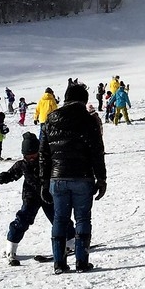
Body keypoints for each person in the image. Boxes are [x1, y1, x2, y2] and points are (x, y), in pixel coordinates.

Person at [39, 80, 107, 274]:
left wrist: (44, 182)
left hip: (57, 178)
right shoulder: (89, 120)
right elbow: (97, 152)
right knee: (83, 219)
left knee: (60, 219)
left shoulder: (50, 119)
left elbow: (43, 155)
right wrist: (101, 179)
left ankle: (59, 263)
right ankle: (81, 262)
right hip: (82, 177)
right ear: (83, 100)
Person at [0, 132, 51, 266]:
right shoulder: (22, 165)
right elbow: (11, 174)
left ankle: (71, 241)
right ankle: (11, 248)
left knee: (59, 218)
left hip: (48, 196)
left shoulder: (46, 161)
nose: (31, 158)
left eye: (33, 155)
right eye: (27, 156)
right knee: (22, 220)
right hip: (30, 197)